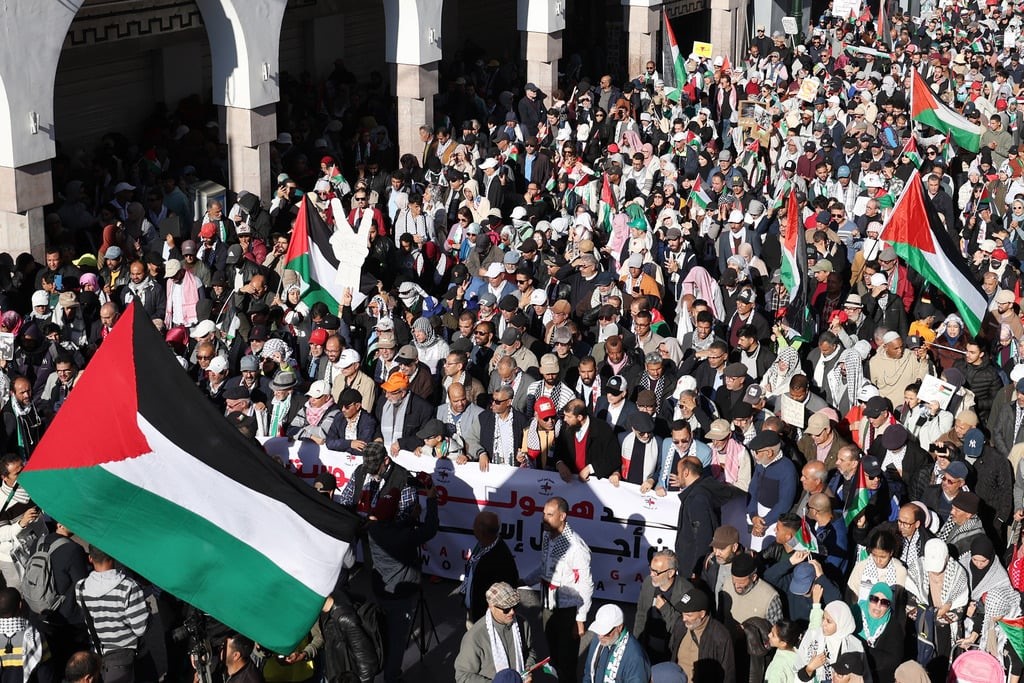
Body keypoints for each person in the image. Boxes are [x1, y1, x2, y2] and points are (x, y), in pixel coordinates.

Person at [366, 481, 439, 683]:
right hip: (400, 595)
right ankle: (392, 677)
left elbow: (392, 527)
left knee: (383, 632)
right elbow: (430, 529)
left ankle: (382, 668)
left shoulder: (373, 529)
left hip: (381, 590)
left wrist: (410, 519)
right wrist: (432, 501)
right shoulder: (403, 536)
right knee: (397, 639)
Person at [522, 497, 593, 683]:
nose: (544, 518)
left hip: (566, 612)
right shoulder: (547, 536)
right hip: (548, 605)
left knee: (566, 661)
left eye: (550, 515)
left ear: (562, 516)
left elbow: (586, 585)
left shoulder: (576, 547)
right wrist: (526, 580)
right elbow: (545, 567)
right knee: (553, 655)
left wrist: (580, 620)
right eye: (544, 514)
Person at [74, 546, 149, 683]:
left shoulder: (81, 587)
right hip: (128, 655)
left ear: (90, 558)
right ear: (113, 555)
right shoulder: (128, 586)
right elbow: (140, 629)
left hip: (100, 653)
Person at [454, 582, 537, 683]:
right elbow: (462, 675)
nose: (512, 612)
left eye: (515, 606)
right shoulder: (475, 637)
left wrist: (527, 670)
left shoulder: (522, 623)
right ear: (491, 606)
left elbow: (529, 651)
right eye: (506, 609)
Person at [634, 549, 693, 663]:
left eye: (656, 572)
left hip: (670, 653)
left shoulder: (686, 591)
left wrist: (665, 609)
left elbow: (684, 627)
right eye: (651, 569)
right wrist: (637, 644)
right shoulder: (648, 583)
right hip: (647, 648)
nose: (651, 574)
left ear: (670, 573)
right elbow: (641, 614)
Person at [461, 511, 520, 624]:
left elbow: (508, 591)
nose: (472, 528)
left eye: (475, 525)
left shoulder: (500, 558)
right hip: (474, 611)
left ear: (481, 532)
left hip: (485, 620)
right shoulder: (482, 545)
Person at [666, 589, 735, 683]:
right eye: (683, 613)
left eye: (689, 615)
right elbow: (672, 650)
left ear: (702, 614)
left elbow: (728, 674)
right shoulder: (680, 625)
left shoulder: (720, 636)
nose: (684, 619)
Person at [796, 595, 866, 683]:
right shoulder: (816, 636)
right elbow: (801, 675)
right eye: (823, 618)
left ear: (840, 623)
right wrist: (810, 668)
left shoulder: (853, 646)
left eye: (829, 621)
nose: (823, 624)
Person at [582, 604, 651, 683]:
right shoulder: (598, 639)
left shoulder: (635, 658)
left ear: (619, 627)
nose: (600, 636)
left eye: (606, 632)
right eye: (599, 630)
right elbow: (588, 673)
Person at [856, 582, 905, 682]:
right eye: (874, 599)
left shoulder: (894, 626)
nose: (878, 605)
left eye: (884, 602)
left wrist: (864, 653)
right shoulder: (855, 613)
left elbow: (893, 660)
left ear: (889, 605)